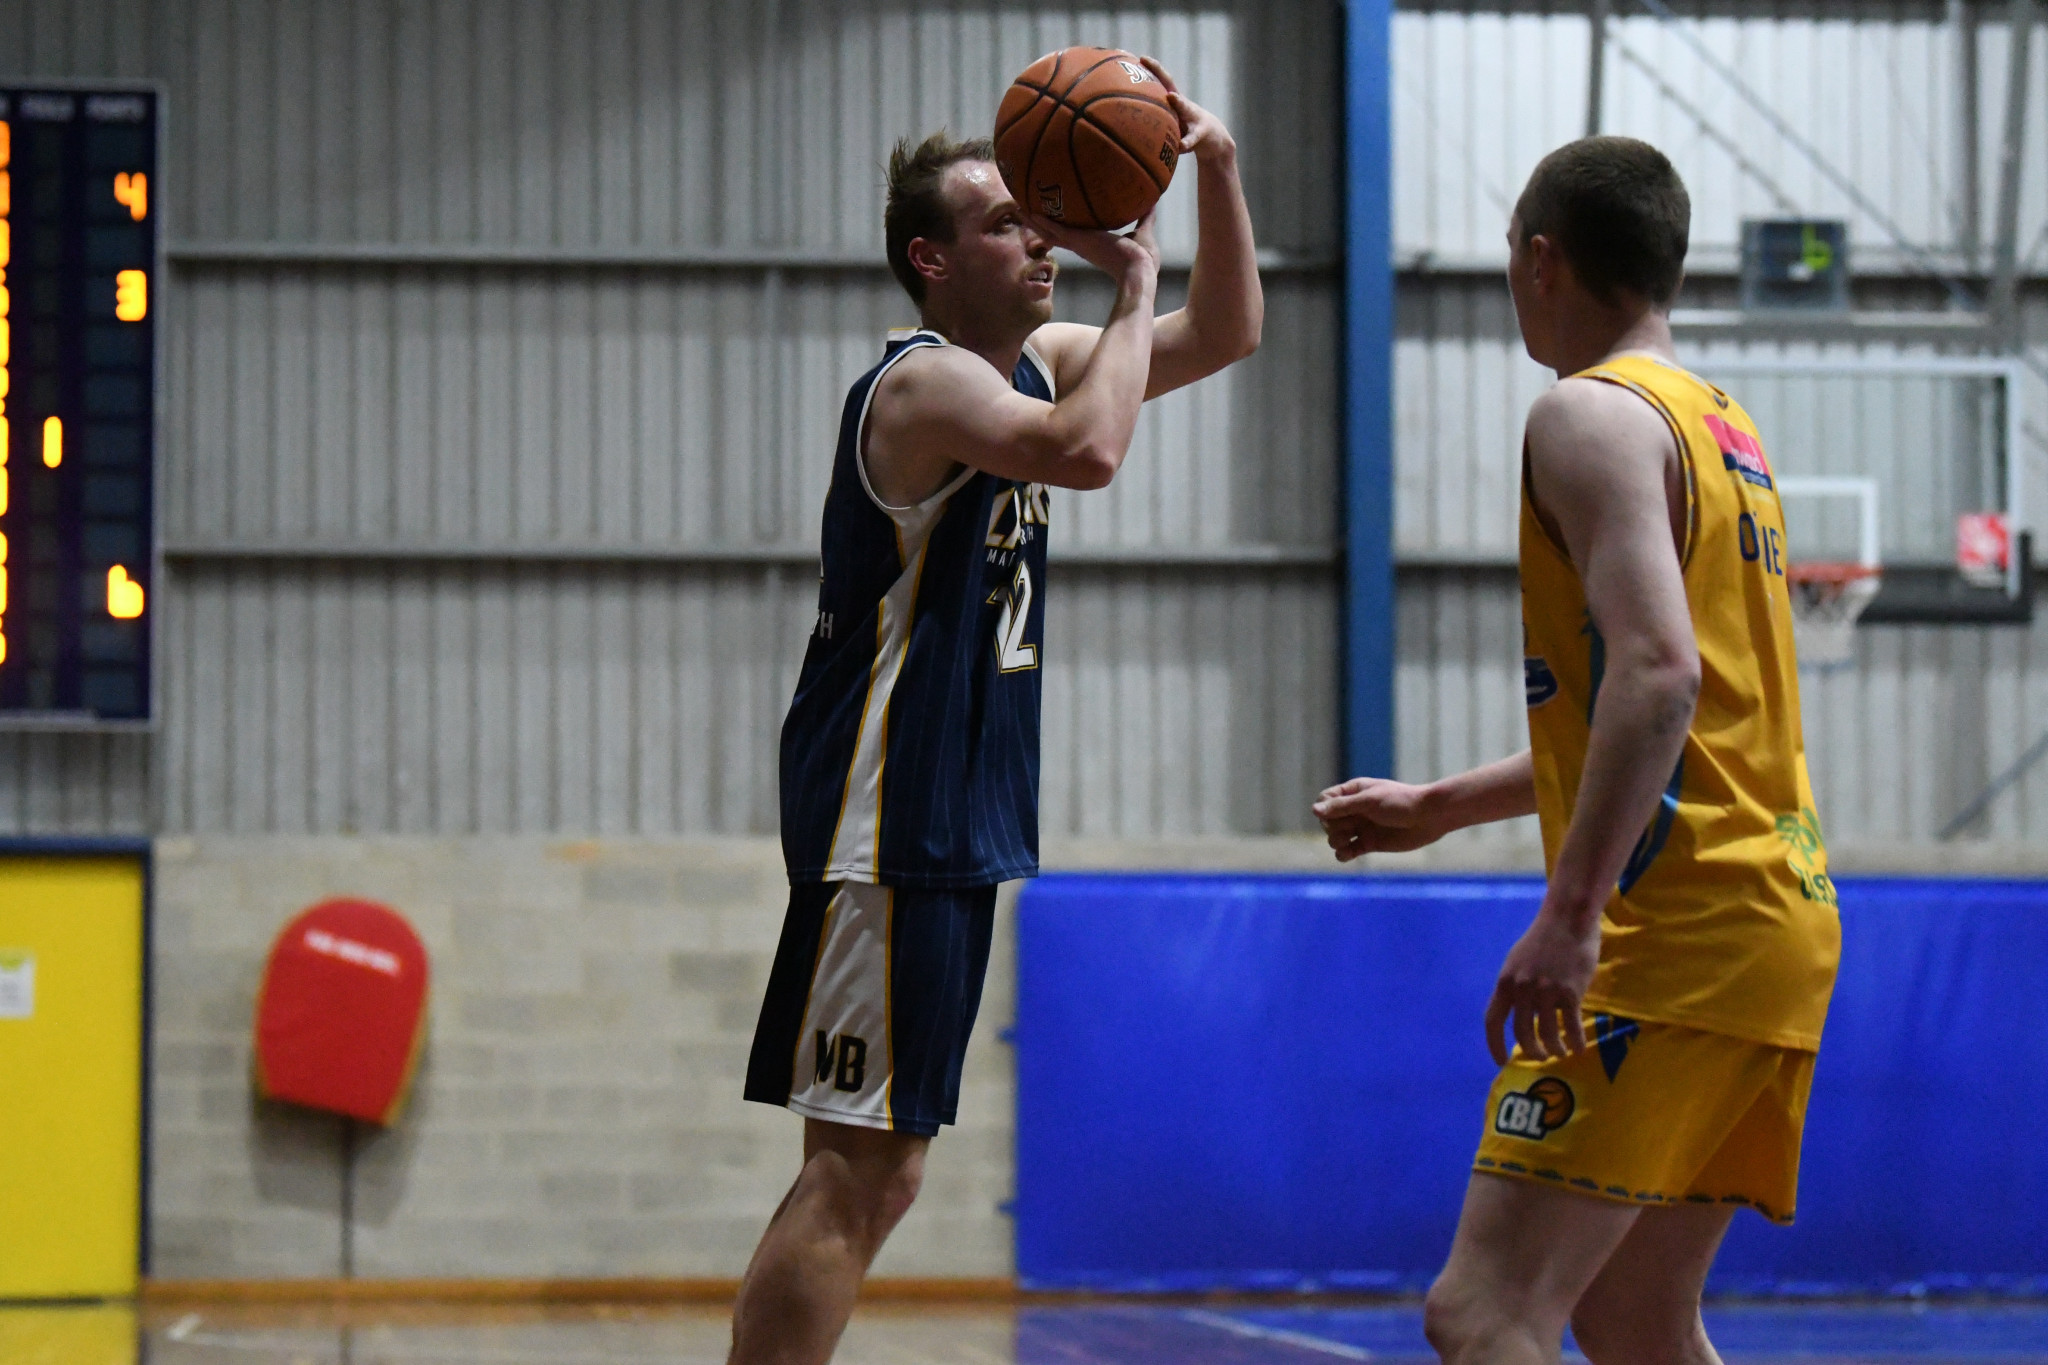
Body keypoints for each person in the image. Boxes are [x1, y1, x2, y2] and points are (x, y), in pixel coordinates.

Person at [729, 58, 1261, 1365]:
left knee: (881, 1172)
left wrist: (1220, 176)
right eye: (1003, 223)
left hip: (951, 812)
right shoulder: (924, 387)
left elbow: (1228, 333)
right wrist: (1136, 282)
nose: (1037, 239)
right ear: (929, 256)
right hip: (886, 806)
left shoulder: (1033, 363)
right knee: (855, 1174)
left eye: (1039, 217)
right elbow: (1090, 450)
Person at [1314, 137, 1840, 1365]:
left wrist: (1571, 912)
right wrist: (1442, 805)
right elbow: (1657, 708)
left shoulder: (1584, 416)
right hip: (1774, 917)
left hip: (1678, 934)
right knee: (1633, 1320)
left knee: (1484, 1310)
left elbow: (1658, 678)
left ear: (1540, 260)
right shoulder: (1718, 427)